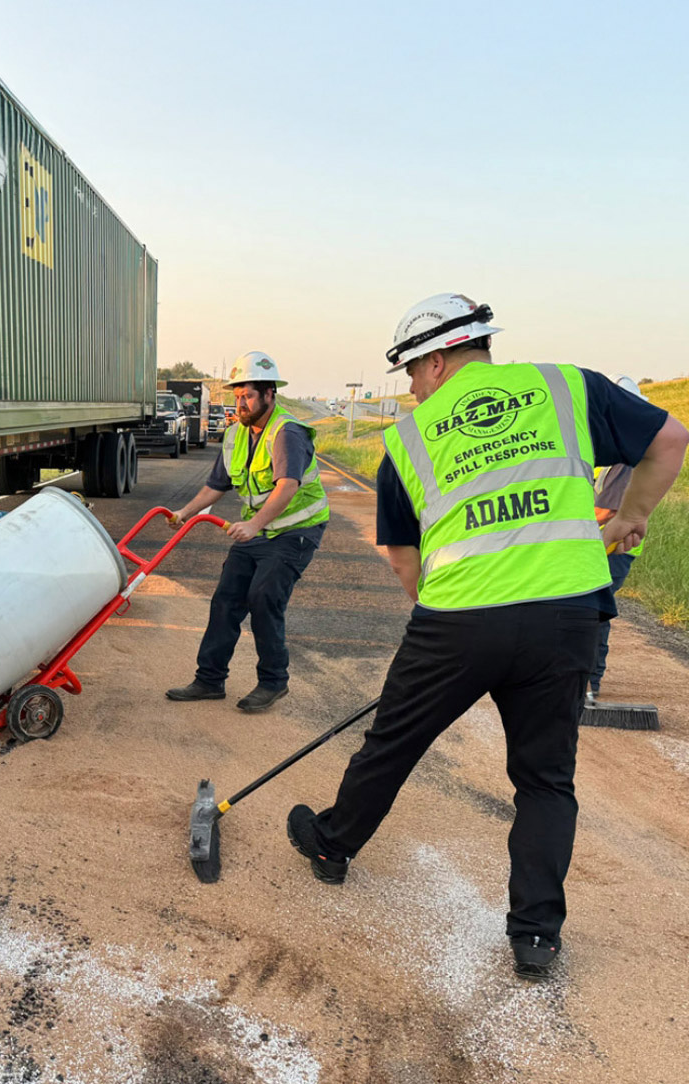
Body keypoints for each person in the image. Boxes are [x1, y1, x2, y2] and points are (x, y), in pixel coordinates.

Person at [286, 294, 687, 982]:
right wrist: (630, 517)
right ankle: (535, 938)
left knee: (393, 742)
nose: (409, 388)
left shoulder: (407, 441)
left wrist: (439, 616)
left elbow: (404, 561)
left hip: (460, 620)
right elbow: (671, 438)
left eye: (411, 372)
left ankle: (331, 844)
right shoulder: (566, 386)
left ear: (437, 361)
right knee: (544, 779)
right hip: (566, 614)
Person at [163, 351, 329, 712]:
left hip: (294, 531)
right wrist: (184, 512)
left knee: (264, 597)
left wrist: (254, 524)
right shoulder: (235, 434)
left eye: (248, 395)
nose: (241, 402)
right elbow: (216, 485)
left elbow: (287, 486)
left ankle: (273, 682)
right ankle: (209, 680)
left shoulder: (287, 433)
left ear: (270, 394)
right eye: (236, 396)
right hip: (257, 533)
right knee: (226, 600)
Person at [587, 375, 651, 708]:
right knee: (590, 611)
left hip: (614, 550)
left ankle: (588, 683)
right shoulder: (615, 456)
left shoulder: (626, 458)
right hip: (606, 548)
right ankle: (585, 681)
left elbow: (604, 510)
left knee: (593, 612)